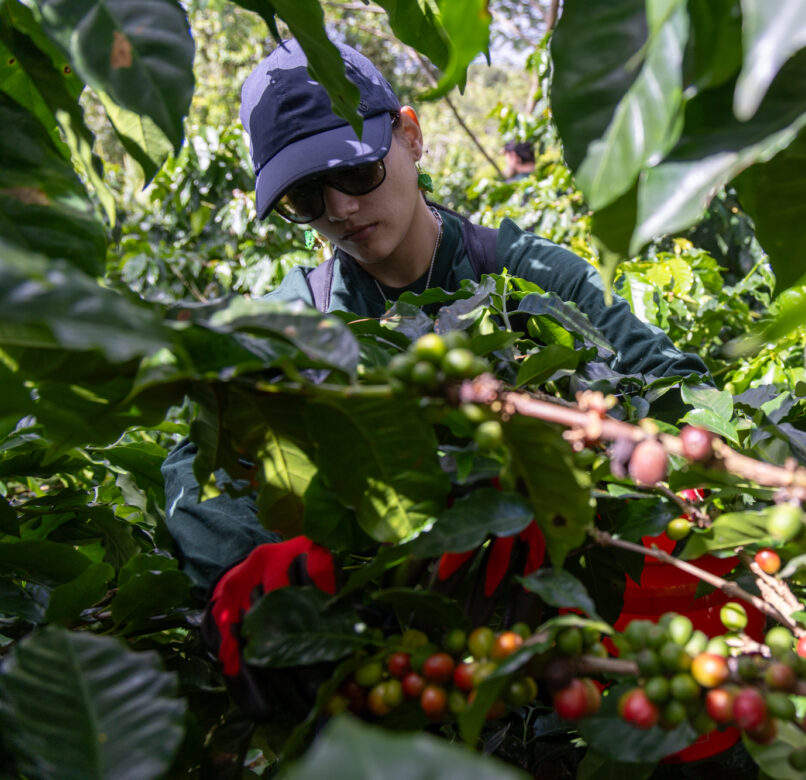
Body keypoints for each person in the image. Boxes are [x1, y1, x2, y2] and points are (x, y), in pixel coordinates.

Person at [160, 38, 707, 713]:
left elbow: (680, 392)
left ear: (411, 137)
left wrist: (591, 463)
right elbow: (196, 470)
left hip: (559, 647)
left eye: (356, 172)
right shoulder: (291, 325)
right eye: (307, 197)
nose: (340, 209)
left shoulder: (535, 276)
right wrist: (240, 563)